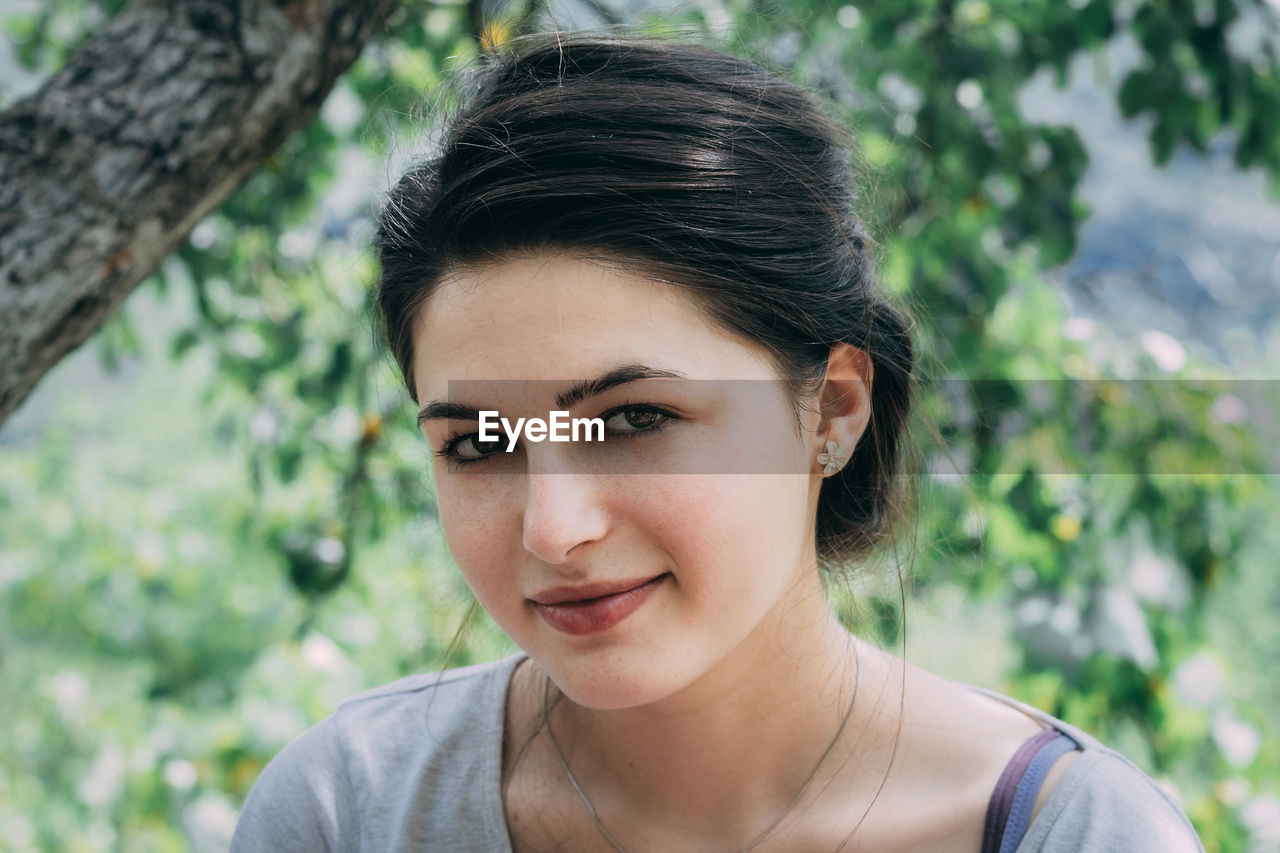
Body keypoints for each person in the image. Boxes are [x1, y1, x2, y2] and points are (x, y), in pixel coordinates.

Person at [231, 34, 1205, 852]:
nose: (553, 529)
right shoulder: (347, 813)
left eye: (631, 420)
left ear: (828, 411)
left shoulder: (1070, 832)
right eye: (480, 442)